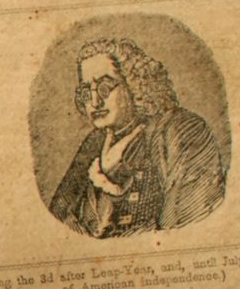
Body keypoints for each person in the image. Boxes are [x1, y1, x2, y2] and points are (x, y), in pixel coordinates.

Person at [49, 38, 226, 236]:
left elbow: (184, 227)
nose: (95, 102)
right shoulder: (94, 142)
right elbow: (58, 223)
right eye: (86, 92)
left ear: (134, 84)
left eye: (105, 88)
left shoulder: (183, 129)